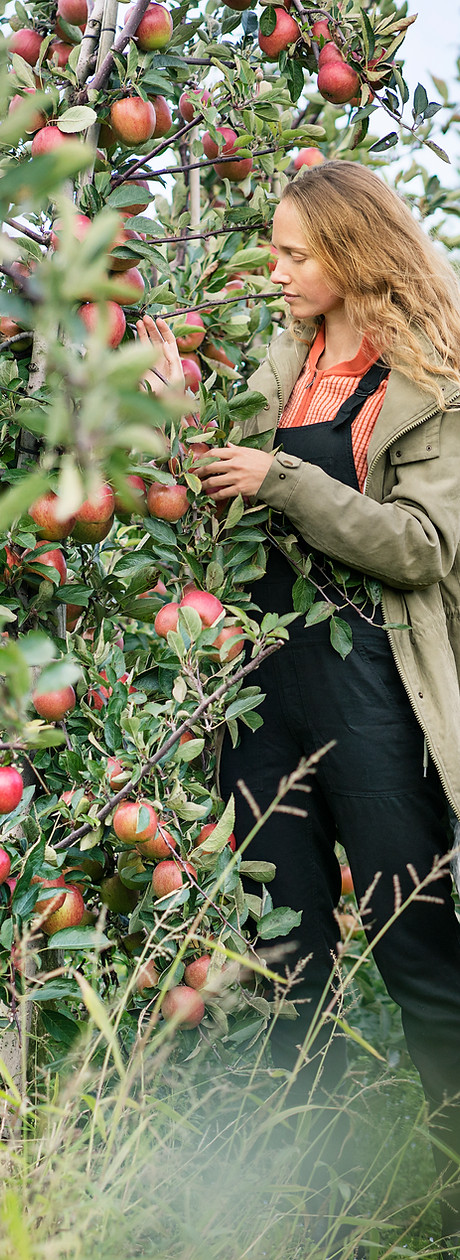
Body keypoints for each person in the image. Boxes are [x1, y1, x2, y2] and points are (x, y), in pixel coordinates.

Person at [137, 161, 460, 1253]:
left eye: (293, 255)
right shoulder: (286, 359)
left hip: (371, 686)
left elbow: (419, 547)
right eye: (272, 252)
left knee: (414, 943)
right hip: (260, 686)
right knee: (286, 951)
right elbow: (211, 475)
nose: (273, 272)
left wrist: (281, 478)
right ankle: (301, 1190)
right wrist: (169, 402)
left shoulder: (429, 378)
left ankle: (449, 1180)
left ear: (354, 257)